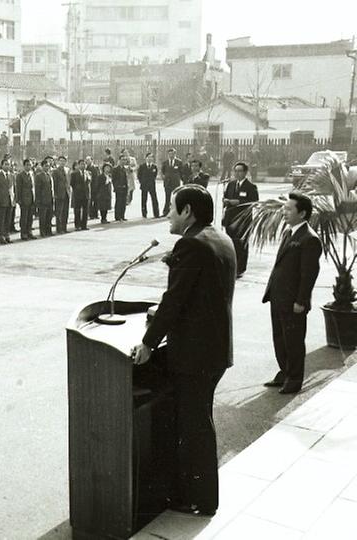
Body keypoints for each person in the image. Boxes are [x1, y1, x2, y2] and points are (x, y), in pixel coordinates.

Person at [132, 184, 236, 517]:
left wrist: (148, 344)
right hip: (214, 351)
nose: (168, 214)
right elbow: (200, 288)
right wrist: (175, 264)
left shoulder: (190, 244)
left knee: (195, 428)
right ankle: (196, 494)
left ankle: (201, 500)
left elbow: (175, 302)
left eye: (172, 209)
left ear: (187, 211)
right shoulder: (218, 238)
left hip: (195, 354)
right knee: (198, 423)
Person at [262, 192, 322, 394]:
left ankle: (295, 379)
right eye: (284, 208)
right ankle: (285, 371)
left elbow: (309, 275)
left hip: (293, 301)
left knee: (294, 341)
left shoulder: (309, 239)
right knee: (279, 337)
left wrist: (301, 301)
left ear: (302, 213)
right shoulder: (290, 232)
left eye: (288, 209)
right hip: (278, 297)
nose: (283, 211)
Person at [222, 161, 259, 277]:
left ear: (245, 172)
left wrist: (238, 202)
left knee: (241, 244)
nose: (237, 173)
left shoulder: (251, 187)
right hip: (230, 218)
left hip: (243, 220)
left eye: (240, 171)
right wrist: (225, 201)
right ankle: (231, 267)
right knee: (230, 243)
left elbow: (254, 202)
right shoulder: (231, 184)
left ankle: (240, 268)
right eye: (235, 171)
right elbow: (226, 197)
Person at [0, 159, 14, 244]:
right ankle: (1, 236)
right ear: (2, 165)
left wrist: (13, 199)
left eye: (8, 164)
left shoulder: (11, 176)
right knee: (1, 220)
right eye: (5, 164)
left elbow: (13, 188)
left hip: (10, 200)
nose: (7, 166)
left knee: (8, 219)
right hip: (1, 201)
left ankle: (7, 235)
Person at [15, 159, 36, 240]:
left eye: (30, 165)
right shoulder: (20, 175)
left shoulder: (32, 174)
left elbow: (33, 187)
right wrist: (19, 199)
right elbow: (18, 188)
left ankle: (29, 231)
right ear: (24, 166)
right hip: (24, 199)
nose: (28, 166)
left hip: (31, 198)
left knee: (30, 217)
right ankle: (23, 233)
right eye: (27, 165)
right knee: (24, 217)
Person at [34, 158, 54, 237]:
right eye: (45, 166)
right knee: (43, 218)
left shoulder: (49, 175)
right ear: (42, 167)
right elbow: (37, 189)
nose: (47, 168)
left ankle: (48, 231)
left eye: (48, 166)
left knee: (49, 217)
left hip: (49, 199)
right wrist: (38, 201)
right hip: (42, 200)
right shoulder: (39, 176)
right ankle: (43, 232)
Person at [161, 148, 182, 216]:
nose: (171, 155)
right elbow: (162, 172)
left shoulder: (179, 162)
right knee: (167, 197)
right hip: (167, 183)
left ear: (175, 154)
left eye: (172, 153)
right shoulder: (165, 163)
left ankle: (176, 212)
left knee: (176, 197)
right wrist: (164, 177)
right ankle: (166, 212)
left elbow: (181, 172)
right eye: (170, 154)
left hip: (176, 183)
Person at [137, 152, 159, 219]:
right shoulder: (142, 166)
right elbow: (139, 175)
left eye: (151, 157)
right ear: (146, 158)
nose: (150, 159)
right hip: (144, 185)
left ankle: (156, 213)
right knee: (144, 199)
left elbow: (155, 175)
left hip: (152, 185)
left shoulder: (154, 166)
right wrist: (142, 182)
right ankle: (144, 213)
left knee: (154, 199)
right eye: (148, 157)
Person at [70, 159, 90, 231]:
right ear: (78, 165)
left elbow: (88, 183)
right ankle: (77, 225)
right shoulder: (74, 173)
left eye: (84, 164)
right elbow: (72, 184)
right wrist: (77, 190)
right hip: (77, 195)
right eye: (81, 164)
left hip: (86, 195)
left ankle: (84, 225)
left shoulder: (88, 173)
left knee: (85, 211)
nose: (83, 165)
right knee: (77, 211)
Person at [53, 156, 70, 233]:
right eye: (61, 161)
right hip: (59, 194)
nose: (62, 162)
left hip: (66, 193)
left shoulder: (67, 170)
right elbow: (55, 183)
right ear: (58, 162)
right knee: (59, 212)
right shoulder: (55, 171)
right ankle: (59, 229)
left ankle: (64, 228)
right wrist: (55, 193)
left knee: (65, 212)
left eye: (64, 161)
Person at [111, 156, 129, 222]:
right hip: (118, 188)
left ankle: (122, 216)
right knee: (118, 202)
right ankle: (117, 216)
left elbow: (126, 179)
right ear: (119, 160)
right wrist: (116, 187)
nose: (123, 161)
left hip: (124, 187)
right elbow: (114, 179)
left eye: (124, 160)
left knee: (123, 202)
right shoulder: (115, 169)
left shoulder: (125, 169)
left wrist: (127, 187)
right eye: (122, 160)